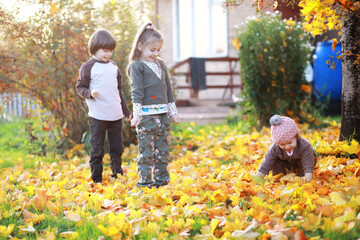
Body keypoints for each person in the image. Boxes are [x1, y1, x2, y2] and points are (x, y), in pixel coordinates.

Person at [127, 22, 180, 188]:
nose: (155, 53)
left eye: (158, 50)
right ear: (140, 46)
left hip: (163, 117)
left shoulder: (160, 64)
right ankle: (145, 183)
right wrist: (137, 114)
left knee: (162, 153)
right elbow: (137, 91)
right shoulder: (136, 66)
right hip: (146, 117)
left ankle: (162, 182)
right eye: (152, 50)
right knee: (146, 154)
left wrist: (173, 111)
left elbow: (168, 89)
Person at [76, 29, 131, 184]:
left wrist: (126, 112)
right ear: (95, 48)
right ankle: (96, 179)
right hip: (98, 116)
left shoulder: (113, 67)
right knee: (97, 149)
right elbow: (80, 87)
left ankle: (117, 175)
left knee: (117, 148)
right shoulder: (88, 67)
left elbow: (118, 92)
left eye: (110, 51)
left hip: (115, 115)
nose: (108, 54)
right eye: (105, 51)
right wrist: (90, 93)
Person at [256, 115, 316, 182]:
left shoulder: (304, 146)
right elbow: (267, 162)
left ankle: (303, 178)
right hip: (287, 162)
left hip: (303, 161)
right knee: (275, 161)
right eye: (282, 144)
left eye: (290, 143)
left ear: (296, 137)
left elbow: (308, 162)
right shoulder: (275, 148)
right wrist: (259, 177)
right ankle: (279, 178)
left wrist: (308, 176)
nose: (287, 147)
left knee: (305, 164)